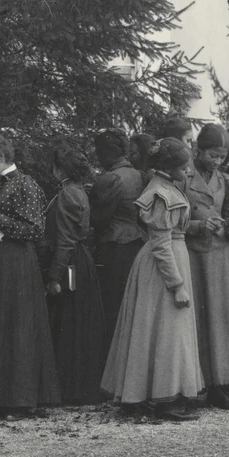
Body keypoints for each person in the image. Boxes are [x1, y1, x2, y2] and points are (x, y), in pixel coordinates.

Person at [101, 137, 204, 421]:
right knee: (166, 331)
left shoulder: (166, 187)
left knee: (164, 331)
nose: (188, 173)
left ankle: (157, 394)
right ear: (170, 169)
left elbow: (174, 230)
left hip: (170, 260)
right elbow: (161, 243)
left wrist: (199, 225)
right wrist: (177, 285)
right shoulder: (160, 193)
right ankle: (163, 399)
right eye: (184, 168)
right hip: (163, 268)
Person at [0, 134, 60, 412]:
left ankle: (20, 399)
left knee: (15, 327)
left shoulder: (25, 184)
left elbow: (36, 230)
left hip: (16, 263)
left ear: (3, 158)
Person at [182, 124, 229, 409]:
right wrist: (197, 225)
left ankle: (218, 386)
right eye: (213, 155)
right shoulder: (182, 178)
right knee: (194, 319)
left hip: (221, 257)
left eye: (222, 157)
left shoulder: (225, 181)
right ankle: (190, 386)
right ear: (198, 149)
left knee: (219, 322)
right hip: (193, 257)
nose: (218, 162)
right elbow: (169, 220)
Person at [45, 143, 107, 405]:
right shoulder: (77, 191)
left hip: (71, 261)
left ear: (59, 170)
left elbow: (66, 240)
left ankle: (73, 389)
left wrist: (54, 277)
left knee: (71, 324)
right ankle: (78, 387)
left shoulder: (69, 195)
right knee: (77, 324)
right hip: (80, 259)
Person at [90, 129, 146, 352]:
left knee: (113, 306)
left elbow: (99, 219)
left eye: (98, 153)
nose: (97, 158)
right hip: (138, 245)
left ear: (107, 153)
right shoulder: (139, 175)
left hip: (115, 248)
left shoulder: (111, 178)